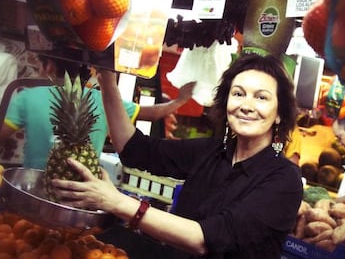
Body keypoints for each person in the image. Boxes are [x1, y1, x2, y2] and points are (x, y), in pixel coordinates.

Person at [51, 53, 303, 259]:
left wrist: (117, 202)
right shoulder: (211, 152)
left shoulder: (284, 179)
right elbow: (134, 149)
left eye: (261, 97)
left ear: (279, 113)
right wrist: (107, 79)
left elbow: (204, 239)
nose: (246, 105)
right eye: (238, 94)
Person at [0, 55, 195, 169]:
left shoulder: (27, 96)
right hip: (84, 191)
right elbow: (153, 114)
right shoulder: (101, 99)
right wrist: (181, 100)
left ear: (49, 66)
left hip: (33, 188)